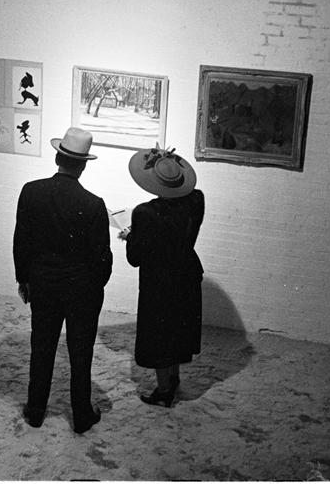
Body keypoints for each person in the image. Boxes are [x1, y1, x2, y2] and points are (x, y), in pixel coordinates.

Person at [13, 127, 112, 434]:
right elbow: (102, 258)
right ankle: (81, 414)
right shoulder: (94, 204)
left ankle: (35, 410)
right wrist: (95, 287)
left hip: (43, 284)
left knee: (41, 346)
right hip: (81, 289)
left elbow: (21, 242)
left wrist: (24, 278)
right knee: (81, 353)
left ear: (58, 158)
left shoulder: (31, 191)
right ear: (83, 166)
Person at [119, 145, 205, 408]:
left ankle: (164, 389)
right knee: (177, 328)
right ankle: (174, 378)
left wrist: (130, 236)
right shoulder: (196, 200)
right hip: (187, 273)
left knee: (159, 333)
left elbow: (135, 258)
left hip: (159, 280)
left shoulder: (144, 212)